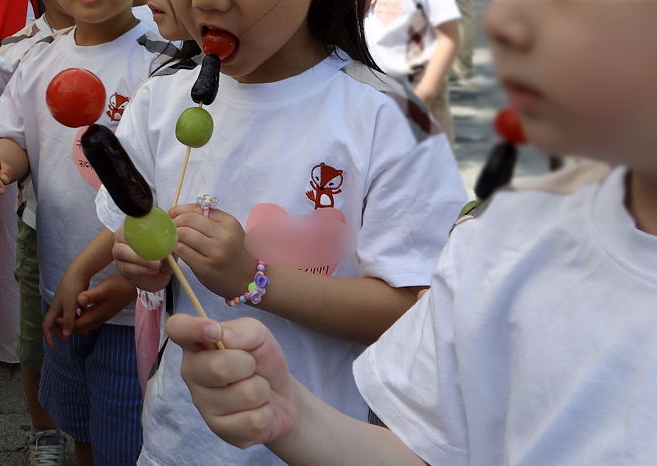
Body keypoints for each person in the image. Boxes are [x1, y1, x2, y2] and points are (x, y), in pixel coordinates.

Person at [165, 0, 657, 464]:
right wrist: (290, 414)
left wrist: (253, 278)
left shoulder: (389, 118)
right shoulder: (502, 241)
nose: (502, 22)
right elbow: (425, 450)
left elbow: (403, 303)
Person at [99, 0, 467, 463]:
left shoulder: (389, 118)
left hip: (321, 445)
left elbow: (410, 312)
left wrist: (251, 278)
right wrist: (140, 259)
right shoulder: (160, 97)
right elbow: (132, 234)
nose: (208, 4)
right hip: (176, 438)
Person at [0, 0, 177, 463]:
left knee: (124, 428)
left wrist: (130, 282)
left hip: (134, 298)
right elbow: (14, 135)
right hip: (59, 282)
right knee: (79, 417)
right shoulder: (38, 57)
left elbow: (176, 181)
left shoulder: (163, 62)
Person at [0, 1, 74, 463]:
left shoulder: (155, 51)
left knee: (114, 348)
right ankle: (45, 433)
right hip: (43, 225)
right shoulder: (24, 48)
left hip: (122, 237)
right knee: (38, 340)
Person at [365, 0, 460, 145]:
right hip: (372, 93)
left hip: (421, 96)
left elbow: (448, 38)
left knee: (426, 160)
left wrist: (423, 96)